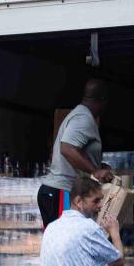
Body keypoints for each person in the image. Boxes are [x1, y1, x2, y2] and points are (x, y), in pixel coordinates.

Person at [38, 79, 115, 228]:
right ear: (103, 100)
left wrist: (97, 165)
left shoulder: (80, 115)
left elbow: (77, 150)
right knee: (66, 243)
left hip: (60, 191)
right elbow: (67, 148)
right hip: (62, 191)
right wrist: (95, 170)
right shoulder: (83, 119)